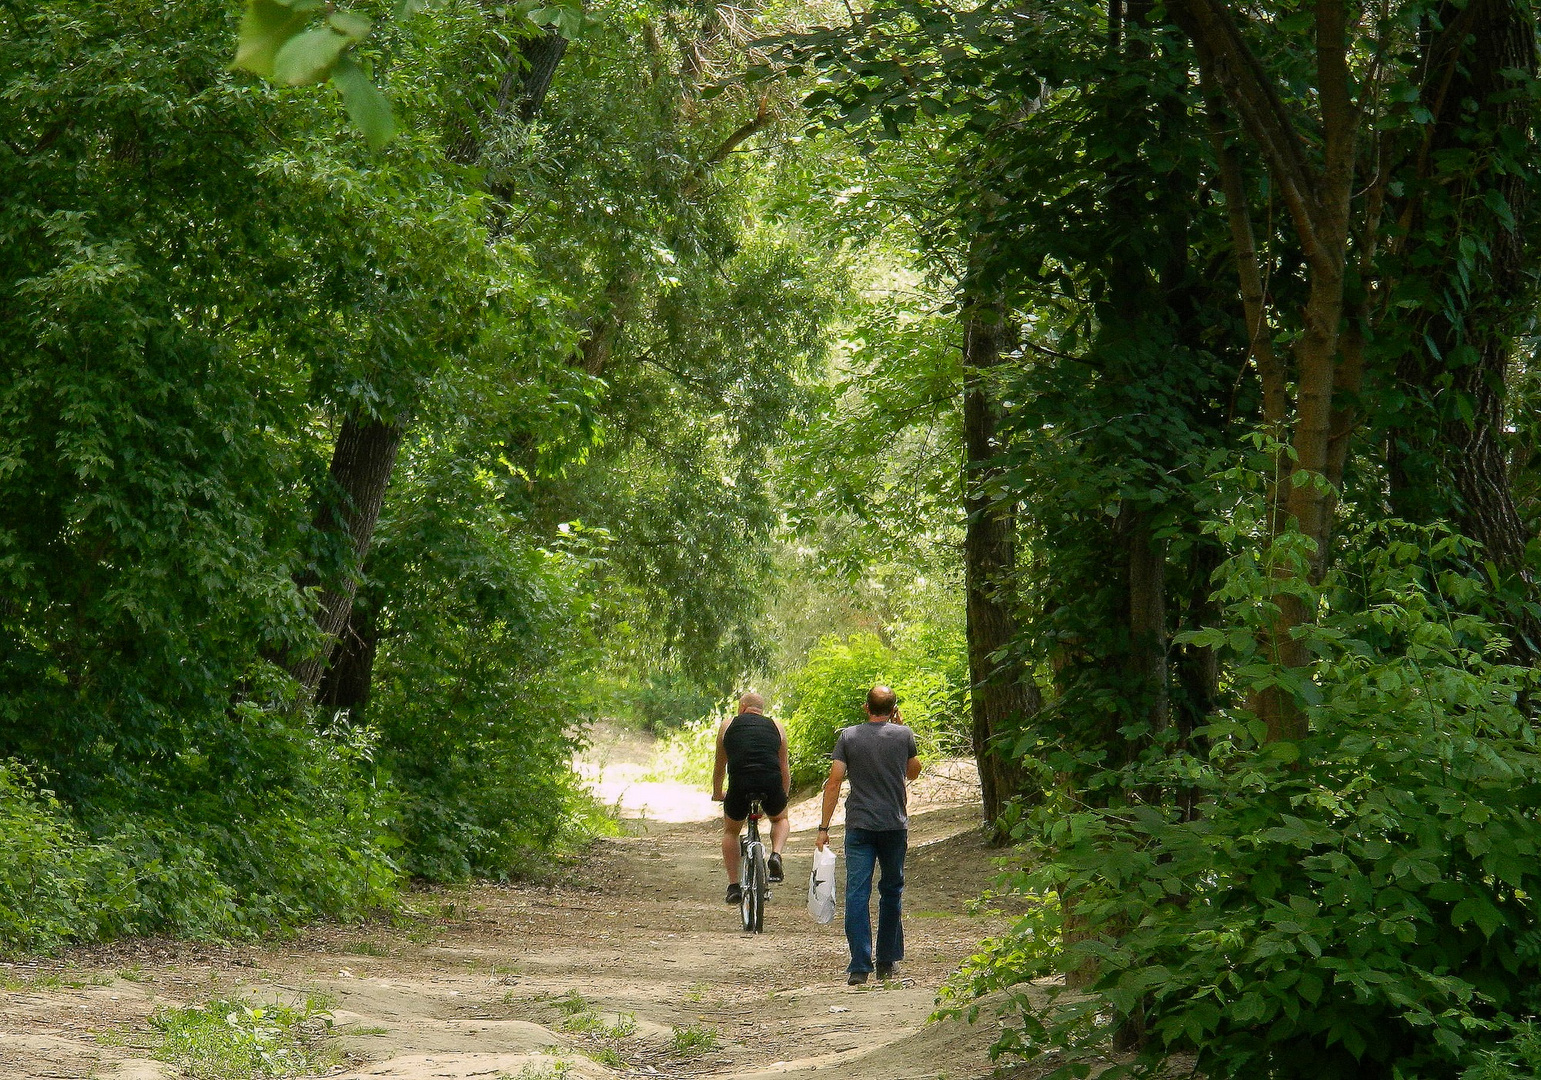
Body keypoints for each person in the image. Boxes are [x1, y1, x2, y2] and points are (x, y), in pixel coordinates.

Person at [816, 685, 921, 984]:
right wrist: (901, 730)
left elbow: (834, 782)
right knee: (891, 891)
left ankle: (859, 966)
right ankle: (887, 961)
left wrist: (824, 828)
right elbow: (912, 772)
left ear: (866, 708)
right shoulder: (903, 735)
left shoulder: (849, 736)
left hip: (859, 825)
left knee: (857, 892)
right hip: (893, 824)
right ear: (893, 709)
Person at [712, 692, 791, 904]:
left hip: (740, 783)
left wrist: (717, 793)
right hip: (770, 781)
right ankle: (776, 854)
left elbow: (720, 766)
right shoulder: (776, 726)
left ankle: (733, 886)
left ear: (743, 707)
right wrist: (783, 795)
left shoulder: (728, 725)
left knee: (731, 831)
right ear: (760, 710)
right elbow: (784, 766)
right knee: (780, 819)